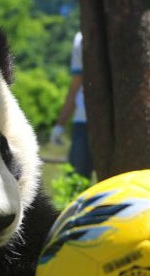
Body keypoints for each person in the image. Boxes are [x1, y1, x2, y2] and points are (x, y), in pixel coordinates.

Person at [50, 31, 93, 179]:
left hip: (84, 121)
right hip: (110, 120)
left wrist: (60, 126)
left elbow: (75, 86)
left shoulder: (81, 38)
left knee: (77, 180)